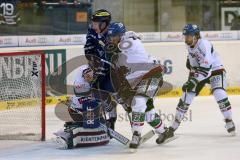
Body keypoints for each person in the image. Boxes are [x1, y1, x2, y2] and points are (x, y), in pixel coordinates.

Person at [106, 22, 175, 149]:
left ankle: (136, 134)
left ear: (120, 35)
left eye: (113, 36)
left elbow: (124, 45)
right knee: (147, 111)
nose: (111, 39)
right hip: (138, 80)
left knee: (139, 102)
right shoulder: (116, 56)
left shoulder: (129, 41)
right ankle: (164, 132)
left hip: (152, 73)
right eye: (110, 37)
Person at [169, 24, 236, 136]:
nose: (186, 39)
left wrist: (194, 81)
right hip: (199, 70)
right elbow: (194, 61)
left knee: (219, 93)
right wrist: (191, 66)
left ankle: (229, 120)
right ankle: (173, 127)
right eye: (185, 36)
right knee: (187, 95)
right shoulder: (189, 44)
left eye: (189, 36)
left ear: (196, 36)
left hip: (215, 69)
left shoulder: (204, 44)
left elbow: (207, 67)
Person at [54, 64, 117, 149]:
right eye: (88, 77)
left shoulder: (97, 69)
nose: (90, 79)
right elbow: (86, 94)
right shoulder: (81, 81)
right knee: (97, 106)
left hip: (89, 111)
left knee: (102, 116)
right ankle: (68, 135)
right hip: (79, 112)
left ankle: (103, 126)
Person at [84, 9, 118, 130]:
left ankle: (134, 124)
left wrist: (100, 70)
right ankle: (111, 116)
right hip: (98, 64)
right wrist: (92, 61)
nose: (92, 25)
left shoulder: (113, 34)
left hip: (113, 67)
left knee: (118, 94)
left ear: (103, 24)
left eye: (95, 23)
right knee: (96, 91)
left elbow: (112, 56)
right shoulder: (92, 30)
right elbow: (89, 47)